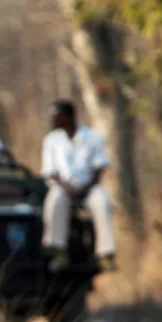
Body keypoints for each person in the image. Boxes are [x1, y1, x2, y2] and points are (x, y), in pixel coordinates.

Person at [40, 100, 116, 272]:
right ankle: (58, 250)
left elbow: (99, 168)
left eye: (55, 116)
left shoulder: (93, 137)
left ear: (66, 117)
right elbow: (51, 171)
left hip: (89, 186)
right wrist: (68, 188)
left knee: (102, 200)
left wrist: (85, 188)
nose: (52, 120)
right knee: (54, 200)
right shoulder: (51, 140)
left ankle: (106, 254)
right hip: (64, 186)